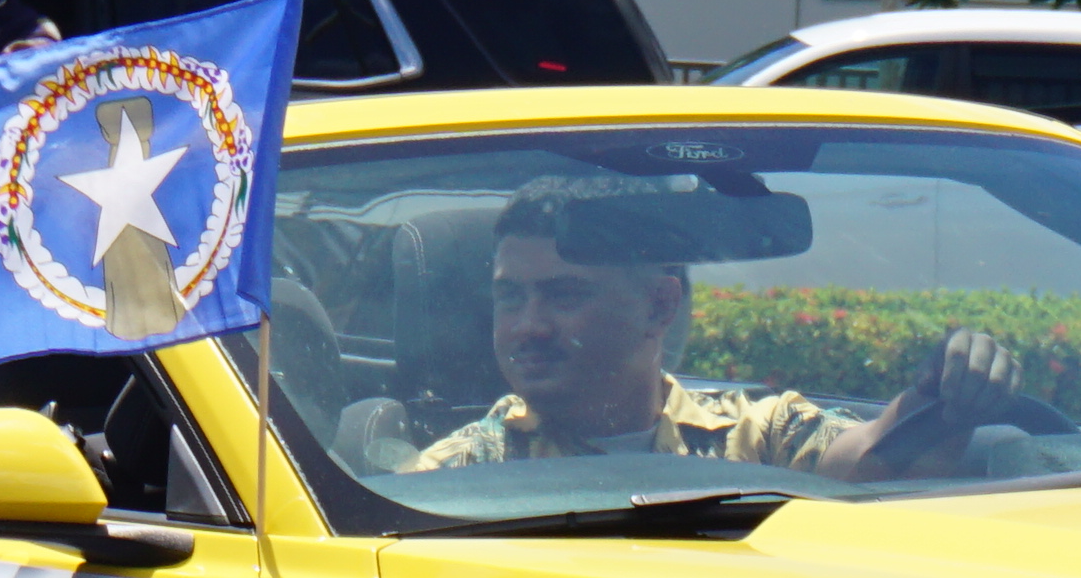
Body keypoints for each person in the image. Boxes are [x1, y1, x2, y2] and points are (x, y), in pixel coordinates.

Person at [401, 179, 1037, 480]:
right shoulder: (464, 475)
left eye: (564, 295)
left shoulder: (758, 436)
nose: (528, 326)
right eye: (510, 298)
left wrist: (948, 392)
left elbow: (880, 457)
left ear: (658, 307)